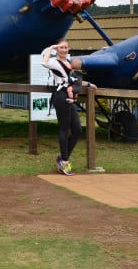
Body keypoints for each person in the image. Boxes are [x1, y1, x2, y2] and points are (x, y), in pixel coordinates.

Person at [41, 39, 96, 176]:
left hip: (70, 96)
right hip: (61, 96)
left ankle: (62, 158)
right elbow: (44, 62)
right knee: (64, 129)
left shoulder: (69, 63)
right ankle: (64, 162)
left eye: (66, 47)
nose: (64, 50)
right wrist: (52, 47)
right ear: (57, 50)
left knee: (77, 129)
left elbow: (74, 80)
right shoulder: (54, 62)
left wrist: (88, 84)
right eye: (61, 48)